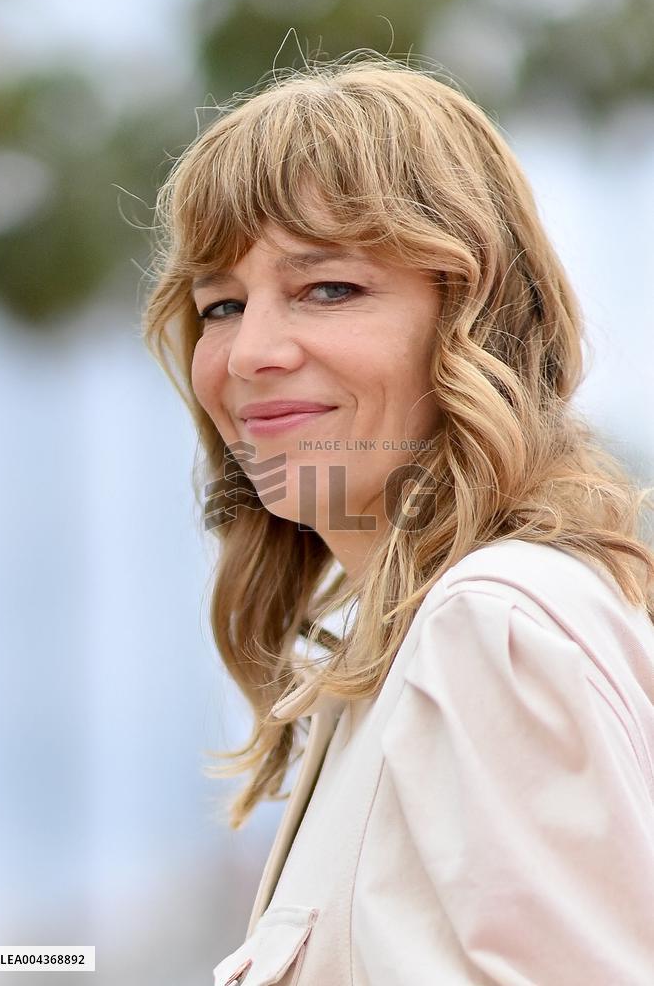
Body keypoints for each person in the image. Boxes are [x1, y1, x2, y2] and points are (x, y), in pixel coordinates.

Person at [142, 55, 654, 985]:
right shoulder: (403, 646)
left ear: (478, 319)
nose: (249, 352)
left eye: (328, 288)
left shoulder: (491, 627)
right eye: (221, 304)